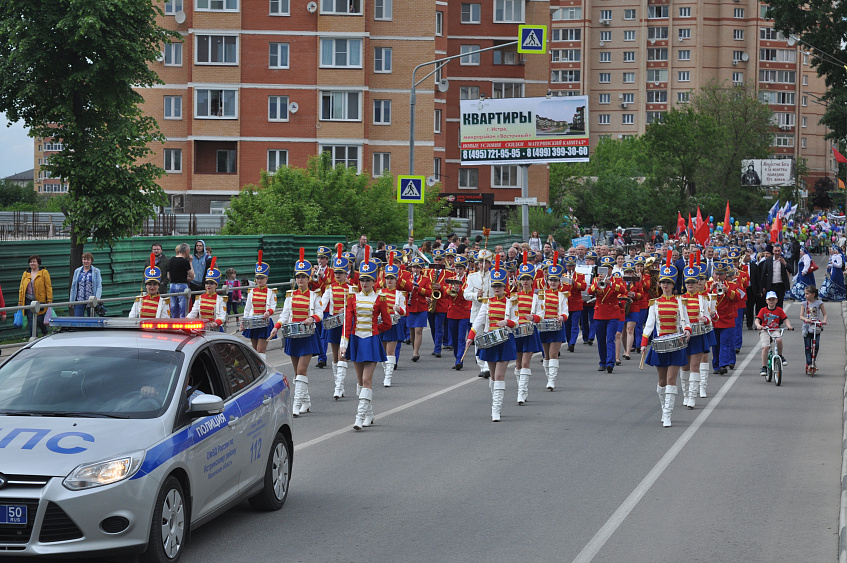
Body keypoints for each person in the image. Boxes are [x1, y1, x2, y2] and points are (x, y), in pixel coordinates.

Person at [340, 253, 392, 430]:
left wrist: (375, 331)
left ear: (374, 281)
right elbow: (347, 323)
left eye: (368, 280)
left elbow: (387, 322)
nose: (364, 283)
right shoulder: (352, 298)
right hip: (355, 340)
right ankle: (369, 413)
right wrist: (344, 343)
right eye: (362, 279)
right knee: (360, 382)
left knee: (367, 380)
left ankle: (359, 416)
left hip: (371, 341)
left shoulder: (380, 299)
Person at [271, 248, 324, 417]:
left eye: (303, 277)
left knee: (301, 370)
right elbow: (285, 315)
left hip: (308, 336)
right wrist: (276, 327)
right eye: (298, 277)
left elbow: (320, 313)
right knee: (297, 372)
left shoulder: (314, 296)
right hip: (293, 336)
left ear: (308, 278)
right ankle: (306, 401)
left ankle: (296, 404)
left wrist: (312, 318)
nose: (300, 279)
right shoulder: (290, 296)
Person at [466, 258, 518, 422]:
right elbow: (478, 321)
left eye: (499, 286)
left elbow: (516, 322)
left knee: (500, 376)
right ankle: (496, 402)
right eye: (494, 286)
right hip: (490, 341)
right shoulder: (487, 303)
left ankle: (496, 410)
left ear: (504, 287)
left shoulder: (511, 302)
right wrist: (470, 338)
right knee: (493, 376)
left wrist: (507, 322)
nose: (496, 289)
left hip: (504, 341)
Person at [641, 262, 691, 428]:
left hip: (676, 344)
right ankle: (664, 407)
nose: (666, 285)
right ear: (660, 285)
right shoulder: (654, 304)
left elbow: (686, 321)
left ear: (673, 285)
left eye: (669, 283)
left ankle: (668, 413)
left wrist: (687, 330)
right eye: (663, 282)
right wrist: (643, 343)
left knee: (671, 379)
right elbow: (649, 325)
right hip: (660, 345)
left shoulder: (680, 302)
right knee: (662, 381)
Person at [320, 251, 353, 399]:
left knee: (342, 353)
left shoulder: (352, 288)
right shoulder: (330, 288)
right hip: (334, 323)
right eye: (336, 272)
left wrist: (345, 309)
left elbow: (355, 306)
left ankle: (339, 387)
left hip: (346, 324)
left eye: (341, 272)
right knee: (334, 356)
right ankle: (338, 383)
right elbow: (322, 304)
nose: (338, 275)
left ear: (346, 274)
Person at [679, 265, 712, 409]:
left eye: (693, 282)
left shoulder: (702, 299)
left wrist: (704, 318)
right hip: (683, 337)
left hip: (697, 335)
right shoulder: (679, 299)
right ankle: (686, 395)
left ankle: (692, 396)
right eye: (688, 282)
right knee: (684, 367)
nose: (690, 285)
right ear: (685, 284)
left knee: (694, 366)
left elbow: (709, 317)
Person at [588, 256, 627, 373]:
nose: (606, 270)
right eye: (603, 268)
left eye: (608, 268)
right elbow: (590, 291)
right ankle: (602, 362)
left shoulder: (616, 279)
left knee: (610, 338)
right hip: (600, 313)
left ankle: (610, 363)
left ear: (611, 269)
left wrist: (610, 283)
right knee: (600, 339)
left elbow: (623, 291)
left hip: (613, 313)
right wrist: (598, 283)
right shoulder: (596, 279)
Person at [512, 254, 542, 405]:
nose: (525, 281)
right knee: (517, 364)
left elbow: (541, 314)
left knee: (525, 363)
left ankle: (522, 393)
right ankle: (521, 389)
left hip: (530, 331)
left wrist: (534, 318)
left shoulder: (537, 297)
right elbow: (510, 313)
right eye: (523, 279)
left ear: (532, 280)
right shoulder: (515, 296)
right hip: (517, 331)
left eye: (527, 279)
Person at [535, 261, 569, 390]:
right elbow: (538, 310)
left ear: (559, 281)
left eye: (555, 280)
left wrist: (562, 317)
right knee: (546, 354)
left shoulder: (562, 295)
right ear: (547, 281)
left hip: (557, 326)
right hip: (544, 326)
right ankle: (548, 376)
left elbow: (565, 311)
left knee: (554, 353)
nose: (553, 282)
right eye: (551, 280)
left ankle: (552, 379)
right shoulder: (541, 294)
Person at [241, 251, 277, 361]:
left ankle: (263, 369)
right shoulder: (251, 292)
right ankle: (258, 370)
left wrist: (268, 312)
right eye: (258, 278)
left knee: (261, 349)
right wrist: (244, 321)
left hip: (264, 322)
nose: (259, 280)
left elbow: (273, 306)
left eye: (262, 278)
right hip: (253, 322)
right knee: (255, 349)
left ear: (266, 279)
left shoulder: (271, 292)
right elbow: (247, 309)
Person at [464, 250, 493, 378]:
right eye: (480, 262)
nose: (482, 265)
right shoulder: (472, 276)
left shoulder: (494, 276)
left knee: (489, 338)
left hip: (491, 311)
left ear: (489, 264)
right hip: (477, 311)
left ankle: (488, 365)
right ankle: (482, 365)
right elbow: (466, 294)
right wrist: (476, 295)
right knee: (478, 338)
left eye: (485, 262)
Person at [378, 256, 406, 386]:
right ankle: (386, 371)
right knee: (383, 352)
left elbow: (405, 311)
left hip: (393, 324)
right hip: (381, 324)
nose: (389, 281)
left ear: (396, 280)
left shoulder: (399, 294)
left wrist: (398, 309)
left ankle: (388, 377)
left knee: (390, 351)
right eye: (387, 278)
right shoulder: (379, 292)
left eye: (392, 278)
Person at [399, 256, 432, 362]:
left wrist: (418, 288)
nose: (416, 269)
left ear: (421, 268)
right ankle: (415, 348)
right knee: (412, 330)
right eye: (414, 267)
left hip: (421, 306)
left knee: (418, 330)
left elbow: (429, 292)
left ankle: (416, 352)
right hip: (410, 306)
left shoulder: (426, 279)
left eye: (418, 267)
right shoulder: (407, 278)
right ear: (411, 268)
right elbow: (402, 289)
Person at [754, 290, 794, 375]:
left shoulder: (779, 310)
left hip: (775, 330)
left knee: (779, 339)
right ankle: (764, 367)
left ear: (776, 300)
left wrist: (789, 326)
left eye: (773, 299)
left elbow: (785, 319)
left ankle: (780, 356)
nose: (771, 301)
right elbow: (757, 320)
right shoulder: (763, 310)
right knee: (765, 347)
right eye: (769, 299)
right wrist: (758, 325)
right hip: (765, 330)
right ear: (766, 301)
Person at [445, 256, 471, 370]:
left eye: (461, 268)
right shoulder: (450, 279)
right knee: (454, 338)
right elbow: (445, 294)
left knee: (461, 338)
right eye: (457, 268)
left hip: (463, 312)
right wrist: (451, 289)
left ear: (464, 269)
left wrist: (459, 290)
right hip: (452, 312)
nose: (458, 271)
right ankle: (457, 357)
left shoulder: (467, 280)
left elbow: (467, 295)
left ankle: (459, 360)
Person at [186, 258, 227, 329]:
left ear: (216, 286)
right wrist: (185, 320)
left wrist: (216, 323)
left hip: (215, 329)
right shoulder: (199, 298)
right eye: (207, 283)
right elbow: (193, 313)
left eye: (211, 283)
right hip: (202, 328)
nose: (208, 285)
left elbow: (222, 316)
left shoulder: (220, 300)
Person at [17, 255, 52, 337]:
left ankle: (45, 332)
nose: (32, 263)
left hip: (40, 299)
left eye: (34, 261)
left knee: (39, 319)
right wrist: (20, 301)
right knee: (30, 319)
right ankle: (33, 337)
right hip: (28, 299)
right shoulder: (26, 273)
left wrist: (50, 298)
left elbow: (48, 286)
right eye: (31, 262)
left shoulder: (44, 272)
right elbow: (21, 288)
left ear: (38, 263)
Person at [129, 254, 171, 319]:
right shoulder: (140, 299)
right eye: (149, 284)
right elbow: (131, 317)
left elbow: (165, 320)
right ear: (146, 286)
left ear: (158, 286)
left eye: (155, 284)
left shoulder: (163, 302)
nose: (152, 287)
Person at [759, 243, 792, 310]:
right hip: (771, 285)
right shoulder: (768, 260)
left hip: (781, 285)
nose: (777, 252)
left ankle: (780, 319)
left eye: (778, 251)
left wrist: (784, 263)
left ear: (781, 251)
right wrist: (763, 287)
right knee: (770, 304)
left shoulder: (784, 259)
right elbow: (764, 274)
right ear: (773, 251)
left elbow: (791, 270)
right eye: (776, 251)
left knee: (779, 304)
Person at [69, 252, 102, 317]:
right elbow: (73, 286)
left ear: (91, 261)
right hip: (79, 300)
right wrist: (71, 300)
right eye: (84, 259)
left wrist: (97, 298)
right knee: (78, 320)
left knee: (91, 321)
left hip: (91, 300)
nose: (86, 261)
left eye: (88, 259)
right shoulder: (77, 271)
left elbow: (99, 285)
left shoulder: (96, 271)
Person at [167, 243, 195, 318]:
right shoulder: (185, 261)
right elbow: (192, 275)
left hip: (172, 285)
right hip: (182, 285)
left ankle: (174, 323)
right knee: (183, 308)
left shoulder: (171, 260)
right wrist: (190, 262)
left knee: (173, 308)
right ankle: (182, 324)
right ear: (186, 251)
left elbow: (168, 276)